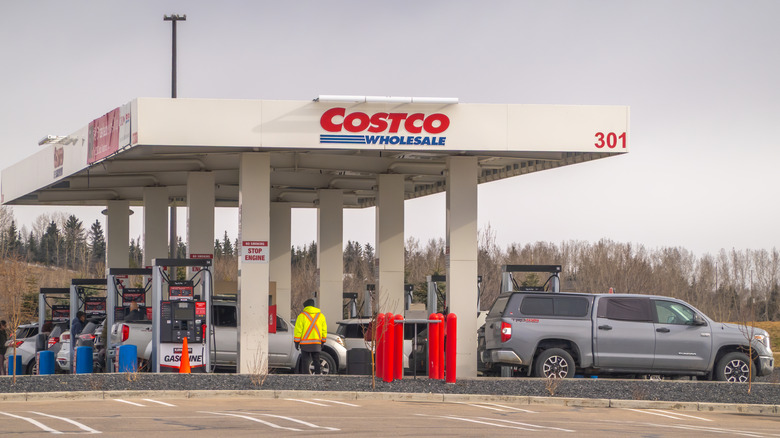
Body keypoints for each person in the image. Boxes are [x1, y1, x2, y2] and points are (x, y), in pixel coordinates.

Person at [294, 299, 327, 374]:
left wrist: (296, 342)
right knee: (316, 360)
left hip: (305, 343)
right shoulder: (321, 316)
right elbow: (324, 330)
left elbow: (298, 330)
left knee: (305, 361)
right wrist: (323, 341)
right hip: (316, 343)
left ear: (305, 306)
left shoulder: (301, 316)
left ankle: (306, 377)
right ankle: (317, 375)